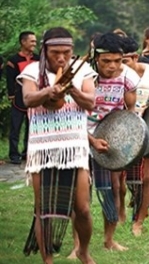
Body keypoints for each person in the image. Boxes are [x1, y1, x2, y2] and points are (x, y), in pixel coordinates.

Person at [19, 27, 96, 264]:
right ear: (45, 50)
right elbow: (28, 99)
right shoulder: (33, 71)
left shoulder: (83, 71)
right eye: (55, 53)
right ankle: (48, 260)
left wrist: (70, 86)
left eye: (66, 52)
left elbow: (91, 102)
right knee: (44, 210)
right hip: (42, 148)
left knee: (82, 208)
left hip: (74, 147)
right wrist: (49, 90)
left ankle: (83, 250)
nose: (61, 58)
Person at [87, 32, 139, 251]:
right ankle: (79, 245)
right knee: (81, 195)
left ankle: (109, 240)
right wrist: (90, 139)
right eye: (106, 61)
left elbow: (129, 112)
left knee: (110, 190)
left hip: (109, 140)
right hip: (82, 135)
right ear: (95, 57)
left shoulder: (128, 78)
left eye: (117, 61)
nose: (112, 66)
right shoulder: (84, 77)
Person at [120, 36, 149, 235]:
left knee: (147, 176)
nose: (120, 66)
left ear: (135, 56)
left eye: (124, 61)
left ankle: (139, 221)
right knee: (119, 177)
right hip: (121, 129)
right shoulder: (114, 75)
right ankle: (121, 211)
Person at [6, 31, 39, 165]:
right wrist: (11, 95)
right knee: (15, 127)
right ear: (23, 42)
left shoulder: (38, 59)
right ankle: (14, 154)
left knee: (31, 127)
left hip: (34, 97)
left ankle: (28, 152)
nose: (34, 44)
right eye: (32, 41)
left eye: (35, 41)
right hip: (18, 98)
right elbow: (10, 79)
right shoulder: (13, 61)